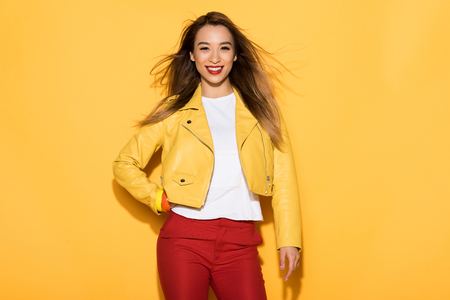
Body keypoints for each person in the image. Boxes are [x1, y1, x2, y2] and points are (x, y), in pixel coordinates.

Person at [113, 11, 302, 300]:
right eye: (204, 48)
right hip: (183, 239)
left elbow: (284, 179)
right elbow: (124, 164)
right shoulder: (174, 112)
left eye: (224, 48)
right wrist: (156, 198)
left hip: (240, 241)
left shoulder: (261, 112)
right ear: (191, 55)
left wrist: (289, 240)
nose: (214, 58)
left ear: (236, 55)